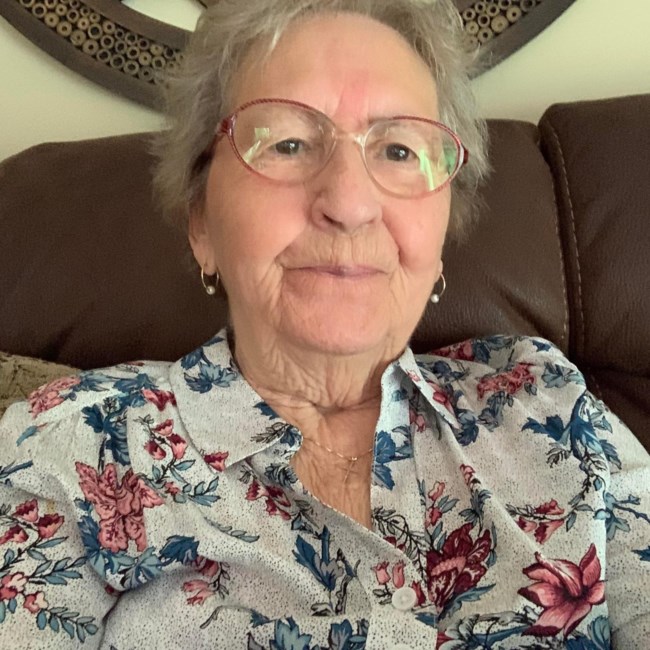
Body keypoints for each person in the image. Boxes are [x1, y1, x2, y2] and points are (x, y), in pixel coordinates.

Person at [0, 0, 648, 647]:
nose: (350, 202)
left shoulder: (548, 401)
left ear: (440, 235)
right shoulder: (73, 445)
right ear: (201, 222)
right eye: (287, 143)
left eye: (398, 149)